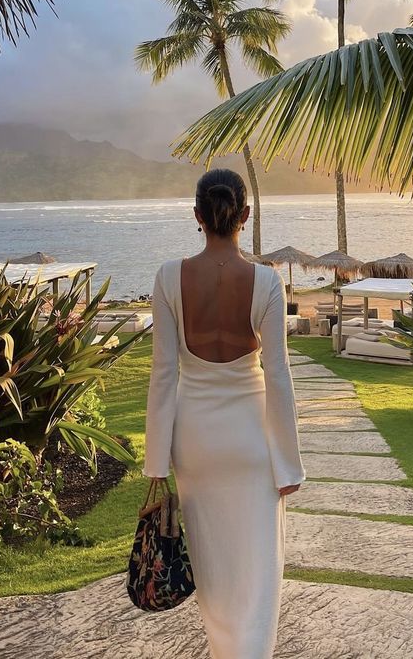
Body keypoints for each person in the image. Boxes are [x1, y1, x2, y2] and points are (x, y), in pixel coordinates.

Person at [142, 167, 306, 659]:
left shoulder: (169, 277)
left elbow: (163, 374)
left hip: (197, 445)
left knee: (213, 569)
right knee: (258, 568)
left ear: (198, 216)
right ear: (245, 216)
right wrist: (289, 462)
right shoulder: (266, 282)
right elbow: (277, 375)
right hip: (253, 442)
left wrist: (156, 462)